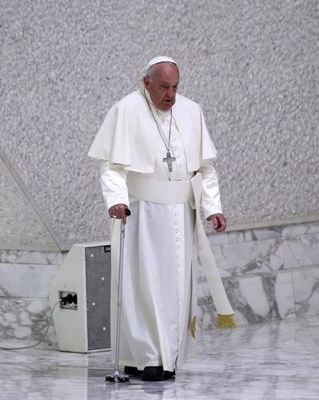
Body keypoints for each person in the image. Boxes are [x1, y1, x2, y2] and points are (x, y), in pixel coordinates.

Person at [88, 56, 235, 382]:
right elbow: (112, 166)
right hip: (141, 213)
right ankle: (140, 357)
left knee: (173, 287)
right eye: (164, 87)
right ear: (146, 83)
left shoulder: (191, 111)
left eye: (175, 87)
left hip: (181, 214)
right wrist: (117, 201)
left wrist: (213, 208)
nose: (171, 95)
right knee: (142, 286)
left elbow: (205, 168)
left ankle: (164, 358)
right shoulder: (126, 110)